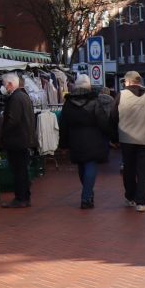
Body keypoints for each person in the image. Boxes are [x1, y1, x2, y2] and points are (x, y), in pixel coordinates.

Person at [58, 74, 115, 209]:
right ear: (89, 86)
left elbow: (63, 124)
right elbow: (102, 121)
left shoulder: (68, 103)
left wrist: (63, 143)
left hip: (75, 139)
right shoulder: (95, 101)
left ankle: (87, 193)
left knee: (81, 166)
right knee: (90, 165)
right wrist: (110, 135)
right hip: (94, 139)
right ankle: (86, 196)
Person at [114, 71, 145, 212]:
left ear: (128, 82)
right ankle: (141, 202)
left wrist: (114, 136)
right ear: (139, 82)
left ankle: (130, 197)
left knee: (128, 169)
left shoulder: (121, 96)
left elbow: (113, 117)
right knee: (143, 171)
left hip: (126, 139)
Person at [0, 73, 37, 208]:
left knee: (19, 170)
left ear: (10, 84)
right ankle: (24, 197)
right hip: (24, 139)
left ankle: (21, 198)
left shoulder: (15, 98)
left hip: (17, 140)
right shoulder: (24, 96)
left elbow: (12, 120)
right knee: (23, 170)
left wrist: (4, 133)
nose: (3, 87)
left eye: (4, 84)